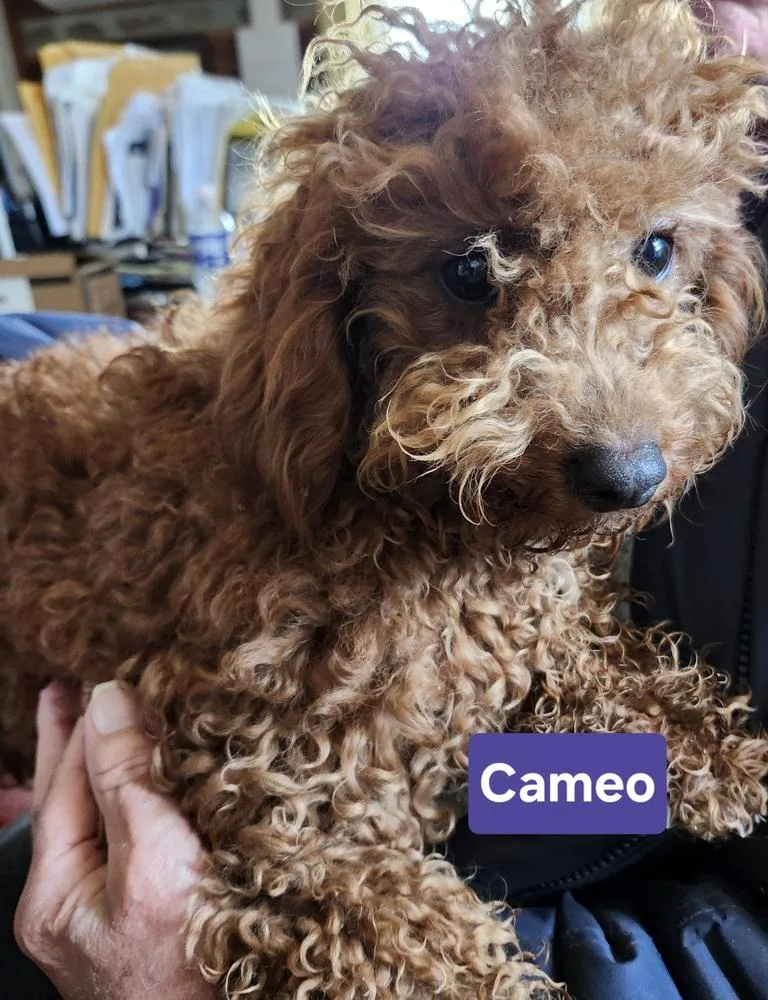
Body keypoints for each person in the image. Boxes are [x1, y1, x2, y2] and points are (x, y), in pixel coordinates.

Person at [5, 1, 768, 996]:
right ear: (338, 308)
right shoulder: (294, 561)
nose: (620, 438)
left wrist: (659, 771)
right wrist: (647, 778)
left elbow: (467, 795)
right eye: (471, 275)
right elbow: (425, 807)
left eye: (652, 255)